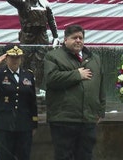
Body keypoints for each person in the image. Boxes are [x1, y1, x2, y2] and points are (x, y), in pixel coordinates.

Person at [43, 24, 106, 160]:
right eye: (74, 38)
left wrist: (101, 110)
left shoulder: (94, 58)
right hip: (64, 119)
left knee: (85, 155)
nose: (78, 40)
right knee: (64, 156)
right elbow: (51, 79)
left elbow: (100, 85)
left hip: (88, 119)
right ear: (65, 40)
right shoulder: (53, 57)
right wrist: (77, 75)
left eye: (81, 38)